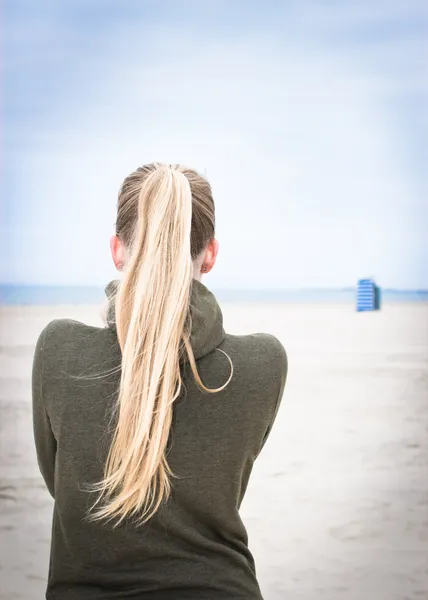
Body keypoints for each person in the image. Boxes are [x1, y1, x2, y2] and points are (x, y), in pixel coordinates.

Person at [32, 162, 288, 600]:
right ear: (210, 254)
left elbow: (60, 482)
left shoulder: (59, 349)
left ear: (117, 250)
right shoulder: (262, 362)